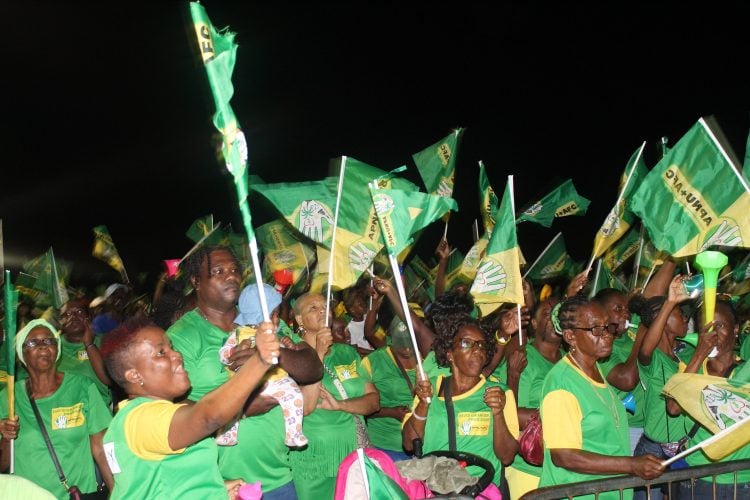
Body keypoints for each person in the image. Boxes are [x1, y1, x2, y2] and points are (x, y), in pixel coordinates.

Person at [166, 245, 323, 498]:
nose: (231, 276)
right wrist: (241, 409)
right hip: (220, 484)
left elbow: (313, 368)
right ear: (196, 281)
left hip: (279, 476)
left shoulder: (264, 318)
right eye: (218, 271)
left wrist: (271, 354)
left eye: (235, 269)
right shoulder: (180, 337)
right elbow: (169, 409)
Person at [100, 316, 280, 498]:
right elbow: (208, 417)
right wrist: (259, 361)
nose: (176, 355)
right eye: (161, 352)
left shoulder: (140, 416)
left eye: (172, 347)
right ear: (135, 376)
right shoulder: (140, 419)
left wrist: (215, 488)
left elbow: (160, 478)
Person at [539, 295, 664, 499]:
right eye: (596, 330)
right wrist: (631, 464)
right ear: (571, 337)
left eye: (607, 327)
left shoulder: (594, 369)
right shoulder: (562, 383)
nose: (607, 335)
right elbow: (564, 456)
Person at [402, 314, 519, 491]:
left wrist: (497, 413)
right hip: (435, 490)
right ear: (450, 354)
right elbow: (409, 443)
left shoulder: (500, 393)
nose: (477, 350)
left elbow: (507, 457)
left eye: (481, 345)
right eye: (466, 343)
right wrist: (424, 404)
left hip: (480, 491)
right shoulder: (430, 387)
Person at [0, 319, 114, 498]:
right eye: (32, 342)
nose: (42, 346)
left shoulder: (83, 387)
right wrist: (6, 439)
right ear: (22, 353)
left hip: (77, 493)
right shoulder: (9, 397)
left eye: (48, 340)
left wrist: (116, 490)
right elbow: (3, 466)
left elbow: (101, 447)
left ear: (57, 348)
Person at [289, 292, 380, 500]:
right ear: (299, 320)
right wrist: (318, 353)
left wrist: (341, 405)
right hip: (314, 459)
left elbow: (373, 401)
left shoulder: (346, 353)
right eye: (313, 308)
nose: (322, 311)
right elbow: (305, 407)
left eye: (325, 306)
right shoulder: (291, 356)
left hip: (353, 452)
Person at [668, 299, 750, 498]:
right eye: (707, 327)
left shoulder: (745, 371)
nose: (713, 335)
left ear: (736, 329)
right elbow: (673, 408)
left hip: (742, 478)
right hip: (700, 478)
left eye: (720, 326)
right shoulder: (688, 366)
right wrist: (699, 355)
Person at [216, 283, 307, 448]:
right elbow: (223, 355)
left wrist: (289, 346)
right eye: (274, 315)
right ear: (259, 316)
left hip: (276, 379)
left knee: (294, 394)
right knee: (233, 403)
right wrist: (235, 350)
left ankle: (293, 433)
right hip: (247, 382)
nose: (278, 320)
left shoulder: (275, 334)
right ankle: (228, 432)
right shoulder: (238, 334)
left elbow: (281, 355)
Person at [631, 273, 692, 498]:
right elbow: (645, 350)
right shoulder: (653, 359)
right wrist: (670, 302)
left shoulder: (680, 357)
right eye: (679, 313)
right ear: (662, 320)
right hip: (653, 451)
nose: (685, 318)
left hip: (681, 449)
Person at [502, 296, 562, 499]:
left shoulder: (570, 359)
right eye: (547, 314)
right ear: (534, 324)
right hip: (529, 469)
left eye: (558, 314)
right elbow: (512, 414)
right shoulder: (524, 358)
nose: (554, 319)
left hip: (561, 467)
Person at [361, 318, 417, 461]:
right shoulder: (373, 362)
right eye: (400, 340)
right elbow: (358, 406)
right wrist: (391, 412)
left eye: (410, 340)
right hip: (386, 446)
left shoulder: (429, 359)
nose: (406, 346)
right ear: (390, 338)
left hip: (424, 445)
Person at [57, 298, 113, 407]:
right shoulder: (54, 346)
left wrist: (89, 344)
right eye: (67, 314)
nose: (73, 317)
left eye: (79, 312)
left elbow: (108, 379)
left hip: (98, 408)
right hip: (65, 411)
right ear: (61, 322)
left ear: (89, 317)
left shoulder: (104, 342)